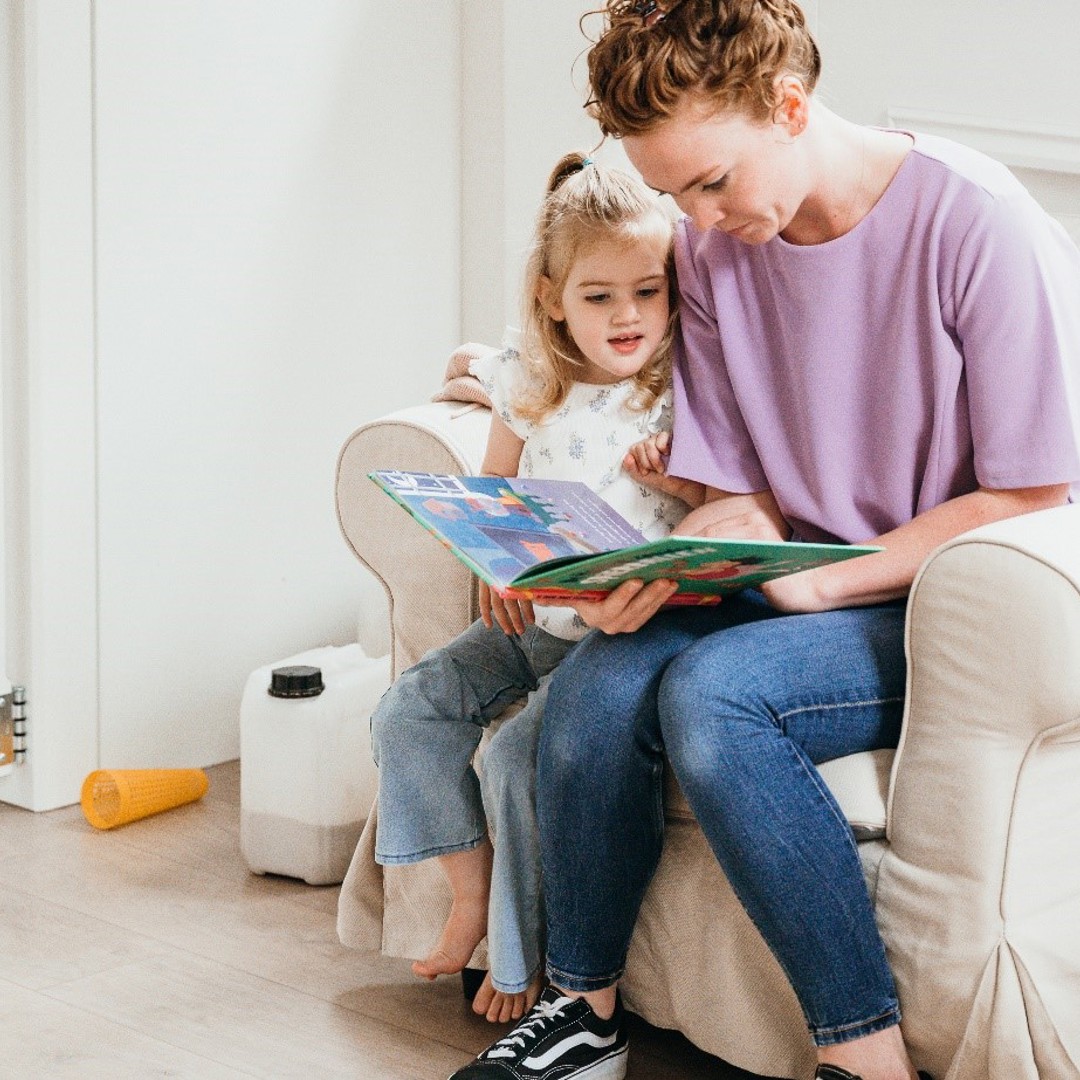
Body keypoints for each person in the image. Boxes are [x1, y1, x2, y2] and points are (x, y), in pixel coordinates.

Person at [452, 1, 1080, 1078]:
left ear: (788, 107)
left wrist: (834, 584)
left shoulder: (974, 220)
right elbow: (743, 494)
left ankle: (865, 1055)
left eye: (711, 182)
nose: (696, 217)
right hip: (794, 577)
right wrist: (667, 560)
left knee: (717, 696)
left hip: (945, 603)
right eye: (671, 194)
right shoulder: (718, 251)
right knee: (602, 685)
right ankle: (584, 1010)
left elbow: (1034, 494)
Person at [369, 151, 693, 1025]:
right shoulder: (529, 381)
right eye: (599, 297)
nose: (629, 316)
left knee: (516, 757)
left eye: (649, 292)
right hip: (535, 617)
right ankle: (467, 896)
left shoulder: (676, 393)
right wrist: (492, 564)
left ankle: (518, 959)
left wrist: (679, 477)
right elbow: (497, 493)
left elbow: (720, 513)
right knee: (408, 711)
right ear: (552, 297)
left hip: (620, 637)